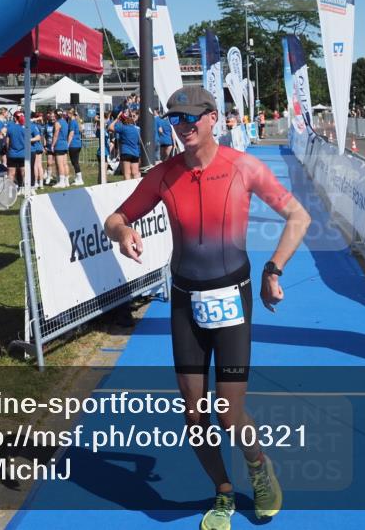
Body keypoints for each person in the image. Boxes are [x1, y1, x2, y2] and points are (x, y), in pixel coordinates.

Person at [104, 86, 311, 530]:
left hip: (232, 299)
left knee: (228, 412)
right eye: (176, 120)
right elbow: (115, 219)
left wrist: (273, 269)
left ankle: (258, 469)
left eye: (190, 119)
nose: (183, 128)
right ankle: (221, 492)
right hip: (185, 301)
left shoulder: (244, 167)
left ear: (213, 118)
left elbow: (299, 217)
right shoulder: (163, 175)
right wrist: (123, 234)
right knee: (195, 414)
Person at [109, 110, 141, 180]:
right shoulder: (137, 129)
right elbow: (139, 141)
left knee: (127, 173)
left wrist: (117, 119)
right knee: (135, 173)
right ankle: (136, 187)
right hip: (135, 153)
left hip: (126, 152)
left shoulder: (123, 128)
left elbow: (110, 127)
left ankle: (128, 189)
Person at [6, 111, 28, 186]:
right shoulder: (25, 128)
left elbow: (7, 143)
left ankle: (10, 191)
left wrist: (8, 150)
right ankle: (24, 188)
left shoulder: (10, 128)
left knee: (11, 173)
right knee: (24, 172)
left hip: (12, 154)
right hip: (23, 153)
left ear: (15, 118)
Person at [51, 109, 71, 188]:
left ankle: (61, 182)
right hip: (65, 144)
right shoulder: (65, 122)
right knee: (65, 164)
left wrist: (52, 145)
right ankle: (66, 181)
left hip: (59, 145)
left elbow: (56, 135)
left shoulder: (57, 123)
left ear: (56, 115)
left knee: (60, 164)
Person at [67, 108, 84, 186]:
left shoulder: (72, 122)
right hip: (78, 144)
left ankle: (79, 179)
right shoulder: (76, 122)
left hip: (73, 144)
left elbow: (71, 133)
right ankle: (78, 178)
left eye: (68, 113)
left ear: (71, 114)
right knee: (75, 162)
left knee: (75, 162)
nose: (67, 115)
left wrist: (67, 144)